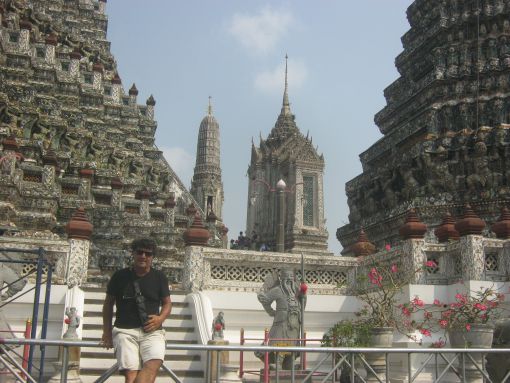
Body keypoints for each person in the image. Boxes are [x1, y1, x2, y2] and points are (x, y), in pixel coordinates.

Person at [101, 238, 171, 383]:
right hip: (124, 331)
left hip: (152, 331)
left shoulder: (159, 277)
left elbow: (167, 304)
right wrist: (107, 331)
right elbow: (108, 304)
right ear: (133, 254)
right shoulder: (119, 276)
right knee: (131, 374)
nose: (143, 256)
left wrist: (160, 319)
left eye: (148, 254)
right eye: (139, 252)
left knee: (153, 365)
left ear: (152, 257)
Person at [256, 269, 306, 369]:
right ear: (282, 279)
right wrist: (271, 312)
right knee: (279, 342)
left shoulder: (296, 290)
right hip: (282, 322)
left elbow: (302, 305)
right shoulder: (277, 290)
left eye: (291, 277)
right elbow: (264, 299)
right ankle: (277, 364)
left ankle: (289, 364)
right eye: (286, 277)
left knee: (293, 344)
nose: (289, 279)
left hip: (295, 322)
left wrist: (303, 295)